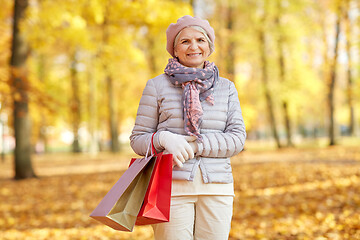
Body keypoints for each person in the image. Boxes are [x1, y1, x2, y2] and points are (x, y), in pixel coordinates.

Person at [130, 15, 246, 240]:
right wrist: (163, 138)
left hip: (217, 188)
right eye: (185, 41)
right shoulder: (156, 86)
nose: (194, 46)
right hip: (170, 188)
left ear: (209, 46)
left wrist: (196, 146)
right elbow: (138, 139)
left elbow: (237, 138)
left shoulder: (226, 87)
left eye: (200, 40)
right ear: (174, 49)